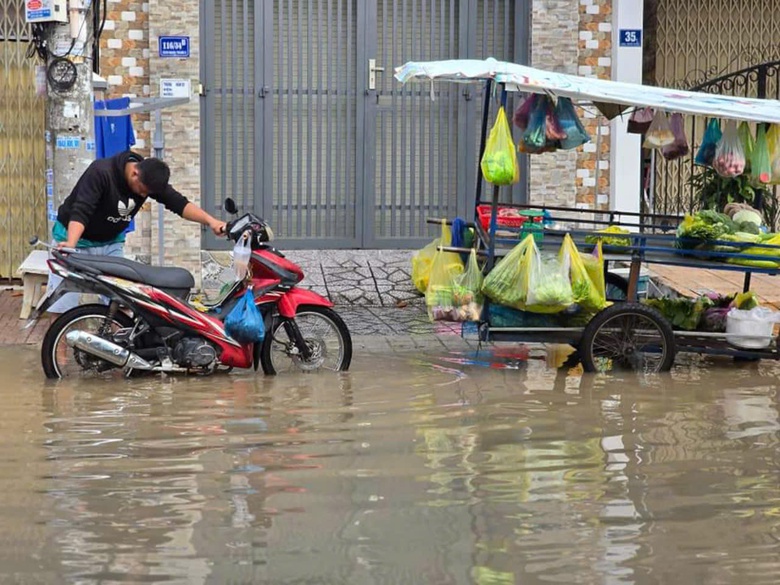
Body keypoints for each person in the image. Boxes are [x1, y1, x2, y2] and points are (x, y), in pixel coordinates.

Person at [47, 150, 226, 313]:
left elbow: (179, 204)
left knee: (120, 302)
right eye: (143, 190)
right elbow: (81, 210)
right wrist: (71, 243)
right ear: (135, 173)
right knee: (63, 306)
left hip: (110, 244)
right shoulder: (101, 172)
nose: (143, 195)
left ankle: (116, 346)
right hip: (75, 240)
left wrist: (211, 221)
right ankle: (58, 348)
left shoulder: (149, 180)